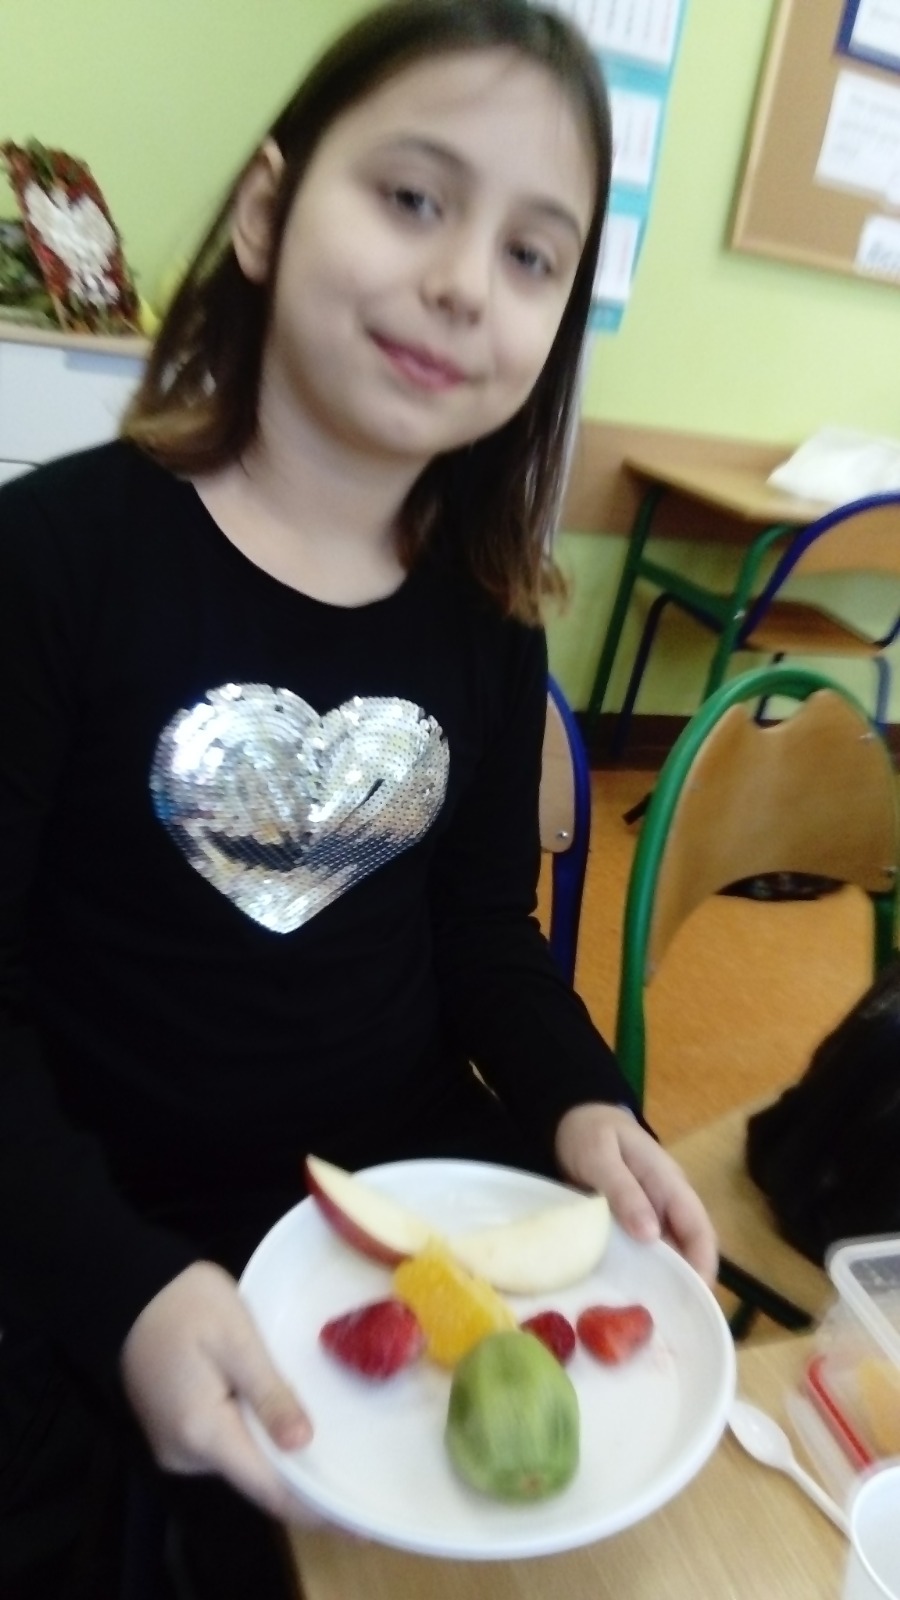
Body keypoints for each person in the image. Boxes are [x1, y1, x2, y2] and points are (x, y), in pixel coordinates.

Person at [0, 1, 717, 1594]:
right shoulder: (54, 561)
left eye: (533, 255)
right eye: (412, 198)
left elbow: (481, 934)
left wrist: (583, 1102)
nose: (465, 282)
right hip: (85, 1211)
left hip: (386, 1203)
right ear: (266, 211)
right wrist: (121, 1285)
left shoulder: (489, 616)